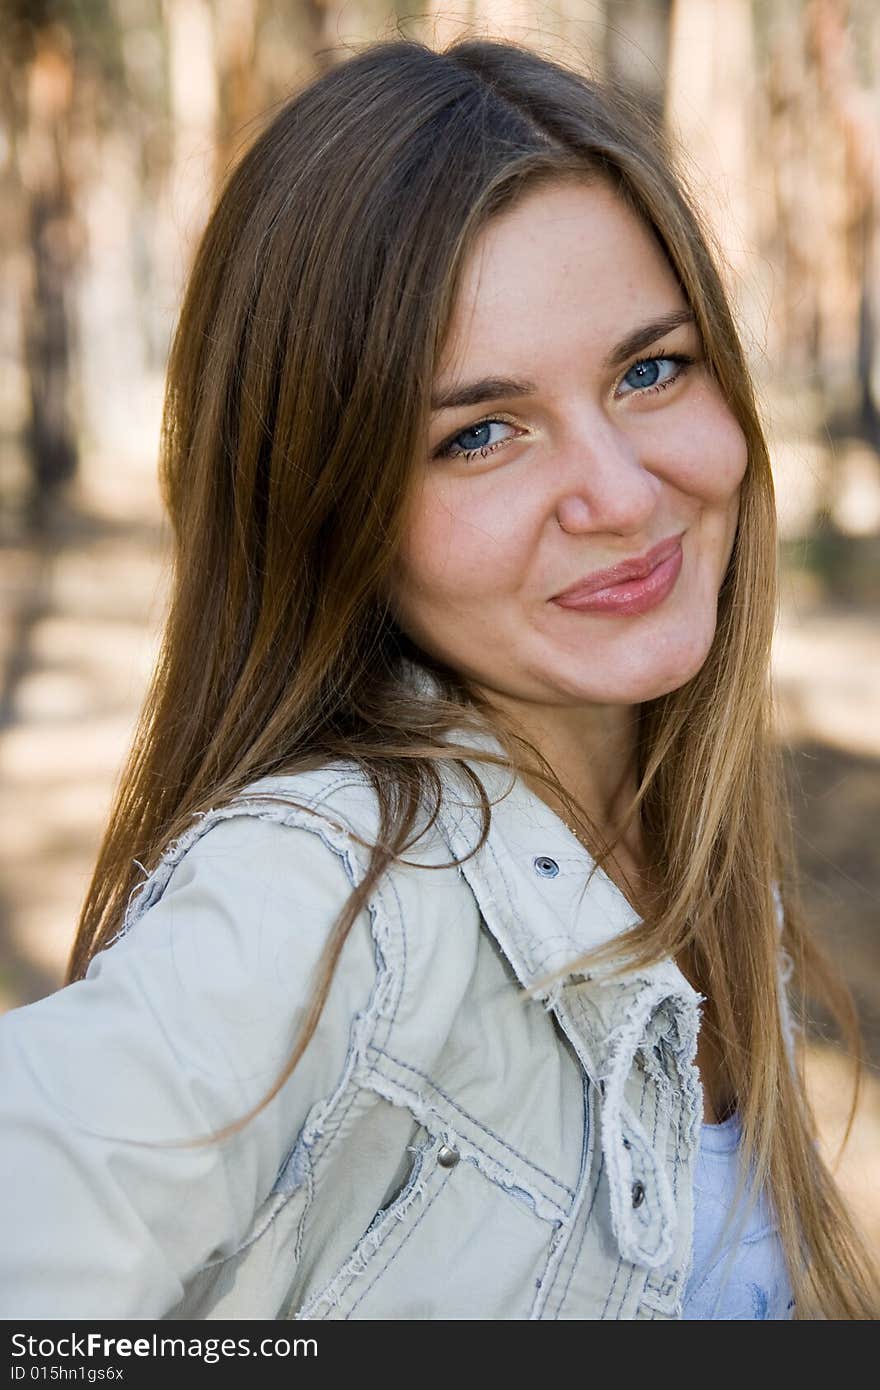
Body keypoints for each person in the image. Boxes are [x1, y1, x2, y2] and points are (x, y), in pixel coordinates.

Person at [1, 34, 877, 1322]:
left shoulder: (674, 833)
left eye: (650, 369)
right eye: (480, 433)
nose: (624, 495)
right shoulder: (329, 888)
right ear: (327, 501)